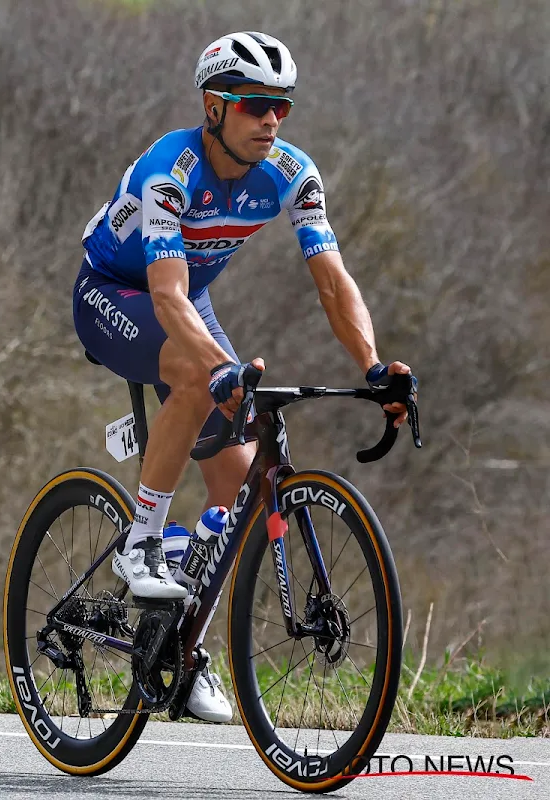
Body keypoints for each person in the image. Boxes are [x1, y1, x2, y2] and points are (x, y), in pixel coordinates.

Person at [73, 32, 415, 721]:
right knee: (200, 381)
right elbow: (166, 298)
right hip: (116, 291)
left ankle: (179, 648)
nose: (272, 121)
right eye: (256, 105)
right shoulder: (171, 170)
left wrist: (374, 366)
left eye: (281, 108)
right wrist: (219, 365)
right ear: (213, 106)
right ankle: (141, 543)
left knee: (238, 485)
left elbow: (332, 282)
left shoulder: (291, 171)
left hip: (184, 300)